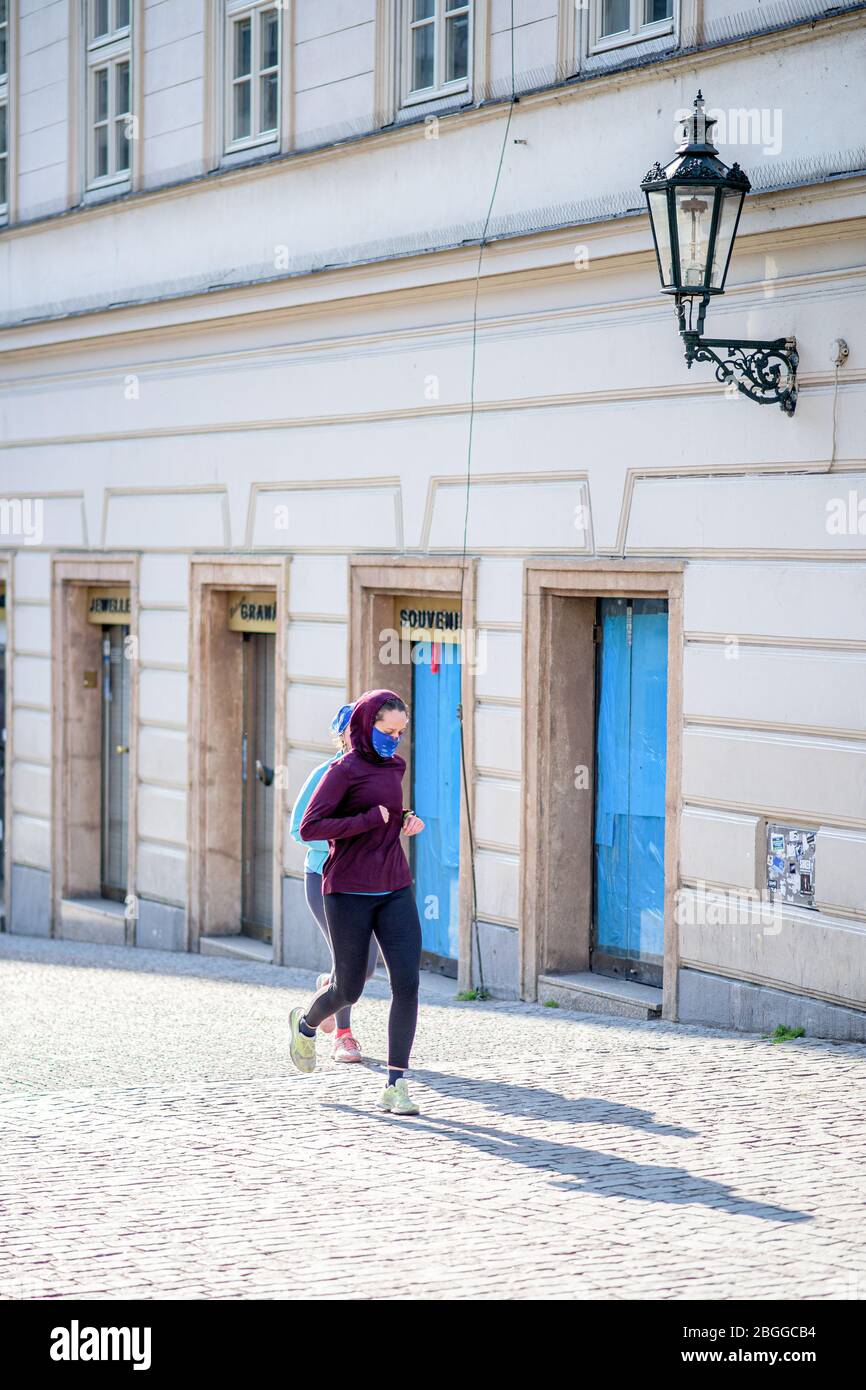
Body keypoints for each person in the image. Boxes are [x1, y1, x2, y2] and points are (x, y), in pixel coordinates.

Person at [287, 690, 426, 1115]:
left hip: (394, 885)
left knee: (408, 983)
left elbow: (387, 811)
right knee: (351, 986)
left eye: (401, 732)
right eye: (388, 731)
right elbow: (310, 826)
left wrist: (404, 820)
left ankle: (396, 1084)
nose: (395, 740)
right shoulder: (340, 771)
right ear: (367, 725)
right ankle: (307, 1024)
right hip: (347, 890)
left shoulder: (395, 766)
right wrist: (369, 821)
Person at [288, 702, 378, 1063]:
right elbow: (298, 829)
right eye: (353, 731)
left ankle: (328, 990)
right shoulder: (325, 775)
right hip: (325, 880)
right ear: (341, 736)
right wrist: (344, 840)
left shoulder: (378, 776)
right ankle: (343, 1035)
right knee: (350, 960)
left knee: (367, 966)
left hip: (368, 883)